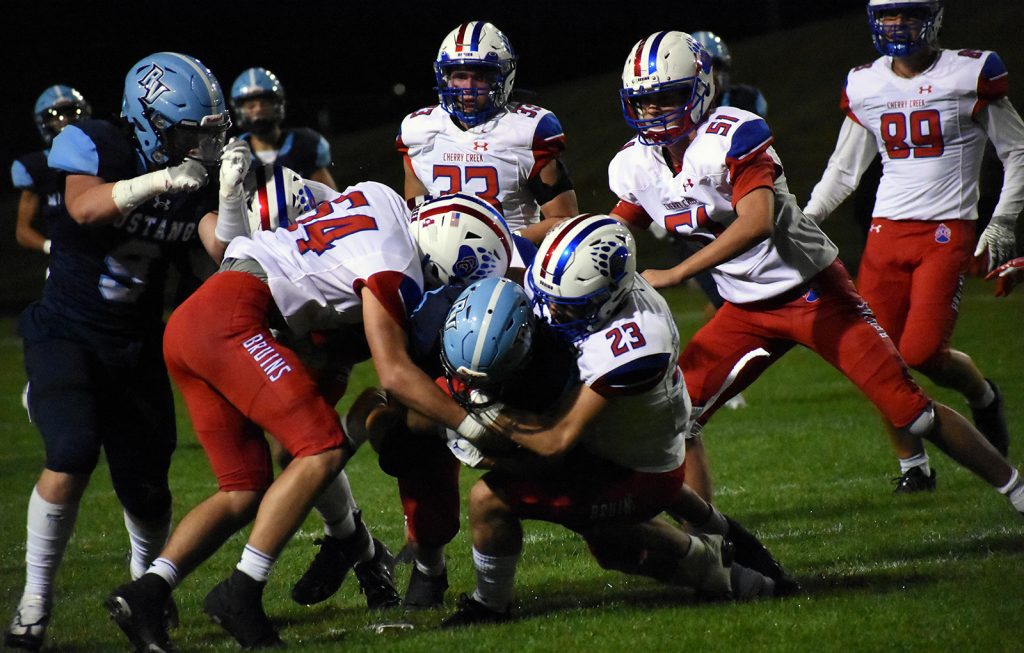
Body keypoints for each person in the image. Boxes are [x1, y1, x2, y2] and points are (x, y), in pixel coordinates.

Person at [607, 31, 1024, 516]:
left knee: (912, 412)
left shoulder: (731, 134)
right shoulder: (634, 163)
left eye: (667, 98)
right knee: (673, 419)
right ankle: (710, 543)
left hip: (812, 293)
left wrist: (677, 273)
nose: (654, 112)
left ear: (700, 89)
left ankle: (1017, 491)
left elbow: (757, 221)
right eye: (645, 102)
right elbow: (616, 227)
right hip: (744, 308)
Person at [103, 188, 506, 651]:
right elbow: (393, 373)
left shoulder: (382, 197)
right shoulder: (394, 266)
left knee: (243, 489)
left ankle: (145, 595)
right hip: (234, 318)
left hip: (198, 316)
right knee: (323, 446)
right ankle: (243, 591)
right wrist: (472, 424)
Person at [440, 217, 782, 627]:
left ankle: (489, 606)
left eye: (568, 305)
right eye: (547, 296)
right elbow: (510, 240)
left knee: (491, 499)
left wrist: (480, 419)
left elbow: (556, 441)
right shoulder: (568, 279)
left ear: (610, 297)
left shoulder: (636, 340)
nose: (550, 311)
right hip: (608, 447)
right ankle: (727, 557)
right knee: (614, 552)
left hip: (636, 466)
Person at [4, 52, 230, 652]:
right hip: (67, 333)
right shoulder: (95, 140)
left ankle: (144, 589)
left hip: (137, 344)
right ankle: (34, 602)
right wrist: (158, 181)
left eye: (209, 134)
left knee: (148, 491)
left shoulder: (197, 181)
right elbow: (83, 207)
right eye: (191, 132)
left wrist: (231, 205)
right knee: (72, 452)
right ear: (151, 121)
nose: (200, 147)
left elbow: (221, 256)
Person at [802, 0, 1023, 490]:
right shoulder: (866, 83)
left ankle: (983, 395)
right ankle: (913, 467)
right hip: (885, 231)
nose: (897, 24)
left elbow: (1017, 151)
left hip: (947, 230)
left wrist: (1002, 221)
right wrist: (807, 218)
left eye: (908, 13)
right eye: (887, 15)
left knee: (921, 351)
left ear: (934, 16)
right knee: (878, 358)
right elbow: (844, 169)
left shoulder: (968, 72)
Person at [217, 161, 402, 612]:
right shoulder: (256, 215)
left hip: (342, 325)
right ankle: (362, 551)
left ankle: (358, 550)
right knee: (296, 449)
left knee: (304, 447)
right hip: (299, 316)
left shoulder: (325, 209)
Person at [396, 21, 578, 243]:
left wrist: (500, 242)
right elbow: (417, 219)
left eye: (480, 77)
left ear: (502, 78)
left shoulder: (526, 132)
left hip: (512, 263)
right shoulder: (419, 132)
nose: (469, 88)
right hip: (441, 266)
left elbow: (564, 220)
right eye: (460, 76)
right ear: (445, 78)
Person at [11, 85, 91, 258]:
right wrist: (52, 247)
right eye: (55, 116)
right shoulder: (36, 166)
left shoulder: (104, 153)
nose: (65, 120)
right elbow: (23, 231)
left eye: (71, 112)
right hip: (68, 265)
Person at [229, 66, 337, 189]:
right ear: (240, 111)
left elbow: (330, 200)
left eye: (264, 103)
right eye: (251, 106)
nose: (258, 109)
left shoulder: (305, 144)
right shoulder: (234, 155)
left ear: (278, 104)